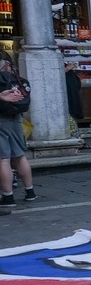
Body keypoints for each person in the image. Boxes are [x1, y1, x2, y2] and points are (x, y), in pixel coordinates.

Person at [0, 50, 35, 205]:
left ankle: (8, 196)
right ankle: (30, 191)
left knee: (3, 159)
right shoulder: (18, 80)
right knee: (20, 155)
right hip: (16, 119)